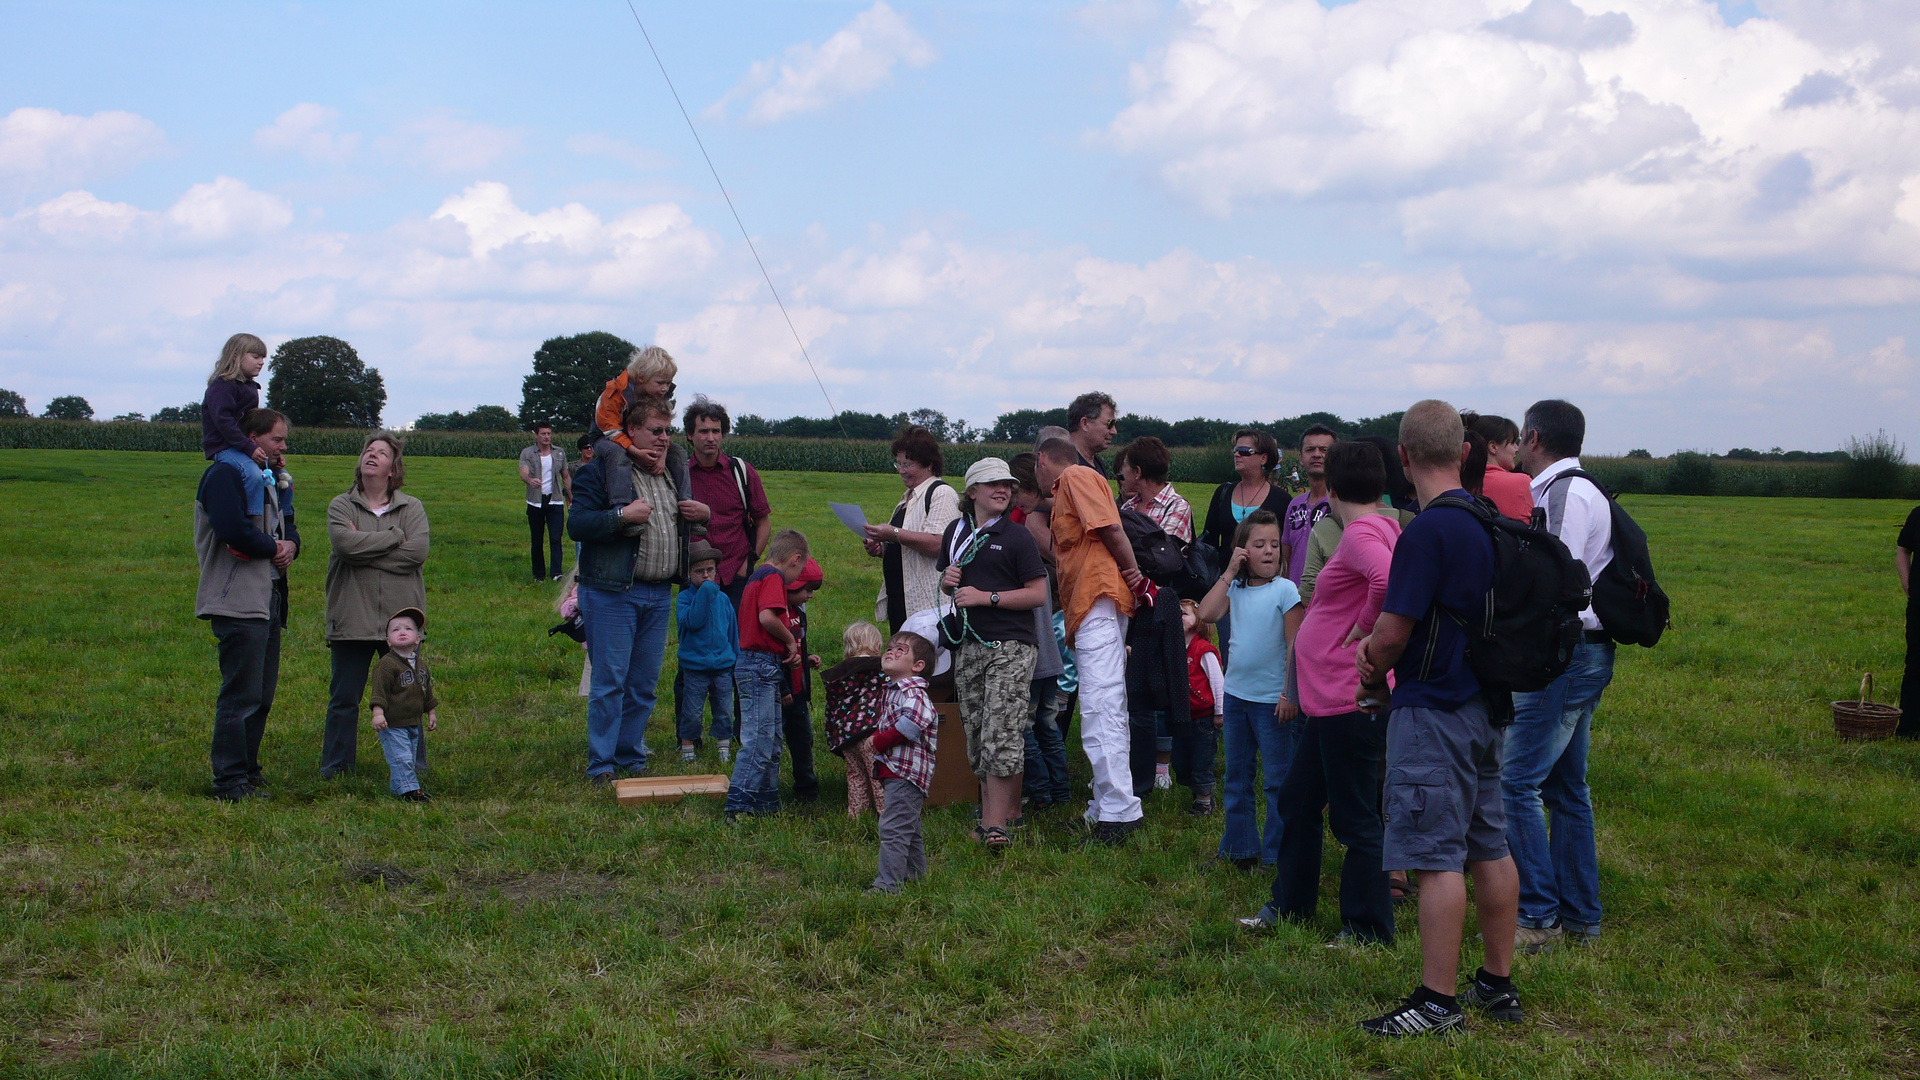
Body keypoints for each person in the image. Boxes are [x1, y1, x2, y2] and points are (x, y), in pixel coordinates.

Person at [1353, 400, 1519, 1038]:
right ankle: (1496, 983)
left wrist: (1370, 663)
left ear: (1403, 455)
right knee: (1490, 843)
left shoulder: (1426, 530)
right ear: (1465, 451)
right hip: (1486, 703)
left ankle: (1436, 1001)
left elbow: (1393, 633)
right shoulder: (1488, 519)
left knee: (1434, 855)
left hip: (1435, 708)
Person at [1243, 440, 1401, 945]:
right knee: (1299, 801)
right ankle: (1290, 906)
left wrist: (1365, 628)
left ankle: (1366, 928)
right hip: (1330, 701)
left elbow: (1386, 578)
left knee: (1356, 818)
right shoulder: (1382, 525)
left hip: (1345, 698)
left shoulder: (1359, 534)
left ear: (1331, 488)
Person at [1506, 399, 1616, 951]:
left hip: (1566, 655)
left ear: (1533, 436)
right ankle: (1580, 916)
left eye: (1522, 438)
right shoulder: (1576, 486)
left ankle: (1539, 916)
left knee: (1514, 782)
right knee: (1566, 787)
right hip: (1584, 652)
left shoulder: (1565, 493)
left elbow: (1560, 581)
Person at [567, 394, 686, 783]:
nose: (664, 438)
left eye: (668, 431)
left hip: (657, 593)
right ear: (630, 431)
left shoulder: (669, 473)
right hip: (612, 591)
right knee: (610, 682)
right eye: (655, 430)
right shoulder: (600, 470)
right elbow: (578, 525)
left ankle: (630, 753)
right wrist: (620, 516)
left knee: (643, 685)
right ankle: (601, 764)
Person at [1034, 437, 1146, 842]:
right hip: (1090, 603)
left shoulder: (1076, 475)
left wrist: (1133, 573)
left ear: (1043, 459)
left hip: (1099, 597)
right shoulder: (1068, 486)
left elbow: (1110, 528)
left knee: (1102, 705)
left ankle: (1119, 812)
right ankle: (1103, 805)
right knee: (1103, 705)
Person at [938, 457, 1049, 846]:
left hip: (1012, 646)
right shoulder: (955, 532)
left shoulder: (1017, 536)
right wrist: (948, 582)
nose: (1002, 490)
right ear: (971, 493)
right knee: (977, 733)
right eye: (992, 485)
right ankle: (997, 818)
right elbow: (950, 588)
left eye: (1006, 484)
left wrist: (989, 598)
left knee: (1001, 731)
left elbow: (1038, 593)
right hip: (969, 646)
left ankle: (996, 825)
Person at [195, 407, 299, 801]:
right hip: (235, 600)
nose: (283, 446)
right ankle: (229, 781)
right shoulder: (224, 475)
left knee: (262, 696)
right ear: (251, 438)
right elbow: (231, 528)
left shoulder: (266, 478)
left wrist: (291, 544)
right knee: (240, 696)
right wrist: (273, 546)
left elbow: (287, 527)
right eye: (276, 439)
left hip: (267, 597)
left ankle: (249, 771)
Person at [1196, 510, 1304, 870]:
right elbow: (1207, 614)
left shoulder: (1286, 591)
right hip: (1238, 698)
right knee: (1236, 777)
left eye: (1274, 544)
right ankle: (1239, 848)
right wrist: (1228, 572)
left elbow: (1294, 646)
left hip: (1273, 702)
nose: (1270, 551)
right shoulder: (1236, 588)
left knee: (1277, 781)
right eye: (1259, 545)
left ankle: (1276, 853)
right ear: (1242, 551)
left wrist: (1290, 695)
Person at [322, 433, 429, 780]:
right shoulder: (341, 505)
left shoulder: (411, 507)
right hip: (352, 616)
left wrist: (363, 551)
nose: (372, 455)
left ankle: (411, 767)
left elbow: (417, 554)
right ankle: (336, 768)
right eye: (368, 451)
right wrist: (394, 537)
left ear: (392, 469)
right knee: (344, 698)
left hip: (399, 620)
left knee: (407, 696)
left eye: (381, 453)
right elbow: (344, 547)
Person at [724, 529, 812, 817]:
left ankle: (766, 803)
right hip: (758, 663)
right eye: (799, 570)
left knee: (773, 740)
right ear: (795, 560)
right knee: (760, 741)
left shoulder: (757, 575)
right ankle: (738, 805)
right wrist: (789, 641)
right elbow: (767, 617)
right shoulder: (772, 577)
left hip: (763, 664)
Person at [1010, 452, 1073, 812]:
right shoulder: (1047, 518)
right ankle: (1060, 791)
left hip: (1034, 651)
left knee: (1026, 726)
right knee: (1048, 726)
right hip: (1051, 652)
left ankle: (1042, 792)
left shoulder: (1022, 535)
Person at [1200, 429, 1289, 663]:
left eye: (1244, 451)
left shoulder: (1282, 500)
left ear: (1264, 458)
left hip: (1265, 590)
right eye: (1235, 450)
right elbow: (1208, 540)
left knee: (1265, 650)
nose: (1236, 455)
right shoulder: (1223, 492)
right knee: (1232, 652)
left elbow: (1287, 548)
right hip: (1227, 586)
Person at [590, 346, 702, 531]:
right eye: (660, 383)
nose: (665, 388)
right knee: (618, 455)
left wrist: (663, 454)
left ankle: (687, 508)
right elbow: (611, 430)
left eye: (669, 383)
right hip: (606, 437)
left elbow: (663, 423)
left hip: (638, 433)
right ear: (641, 377)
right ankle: (623, 509)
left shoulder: (658, 393)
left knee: (679, 453)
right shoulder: (614, 393)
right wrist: (636, 452)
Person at [863, 425, 959, 634]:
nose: (901, 471)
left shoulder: (941, 493)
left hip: (927, 606)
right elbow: (905, 545)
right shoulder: (907, 498)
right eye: (898, 464)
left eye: (908, 464)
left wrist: (892, 534)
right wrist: (882, 548)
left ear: (929, 464)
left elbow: (938, 543)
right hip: (901, 599)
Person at [868, 632, 941, 894]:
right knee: (908, 827)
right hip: (896, 771)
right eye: (889, 648)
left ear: (917, 666)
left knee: (893, 828)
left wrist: (878, 742)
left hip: (906, 773)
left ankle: (888, 885)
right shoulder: (894, 691)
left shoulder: (915, 694)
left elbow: (911, 724)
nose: (890, 652)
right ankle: (915, 875)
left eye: (900, 650)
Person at [684, 396, 772, 608]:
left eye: (716, 431)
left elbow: (763, 522)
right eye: (703, 431)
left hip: (736, 574)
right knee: (700, 638)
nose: (711, 437)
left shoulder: (741, 472)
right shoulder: (680, 475)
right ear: (690, 435)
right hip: (696, 575)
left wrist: (750, 561)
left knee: (738, 638)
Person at [675, 540, 737, 764]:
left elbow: (732, 632)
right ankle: (688, 747)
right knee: (692, 710)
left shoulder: (723, 600)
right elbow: (692, 621)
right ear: (689, 573)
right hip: (695, 667)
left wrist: (734, 657)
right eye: (699, 571)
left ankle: (723, 747)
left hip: (722, 665)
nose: (706, 575)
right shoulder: (684, 599)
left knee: (724, 709)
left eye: (710, 570)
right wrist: (706, 592)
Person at [368, 607, 439, 803]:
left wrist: (431, 712)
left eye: (407, 628)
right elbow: (379, 692)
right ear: (388, 641)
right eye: (395, 630)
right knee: (402, 758)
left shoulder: (421, 664)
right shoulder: (386, 665)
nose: (401, 632)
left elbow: (426, 690)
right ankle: (411, 792)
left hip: (413, 722)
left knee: (407, 756)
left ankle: (398, 789)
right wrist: (378, 714)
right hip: (392, 723)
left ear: (417, 638)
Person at [201, 333, 272, 516]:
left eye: (262, 357)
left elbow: (252, 425)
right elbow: (224, 423)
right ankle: (250, 520)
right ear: (235, 357)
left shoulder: (249, 387)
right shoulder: (222, 387)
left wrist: (270, 455)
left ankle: (281, 519)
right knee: (252, 474)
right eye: (255, 357)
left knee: (281, 477)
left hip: (243, 447)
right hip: (225, 447)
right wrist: (249, 448)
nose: (261, 362)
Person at [824, 622, 889, 818]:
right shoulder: (882, 668)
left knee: (855, 775)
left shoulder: (838, 675)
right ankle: (887, 816)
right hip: (872, 732)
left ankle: (856, 816)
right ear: (878, 646)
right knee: (878, 775)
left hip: (846, 734)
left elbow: (831, 707)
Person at [780, 559, 826, 802]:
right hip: (781, 694)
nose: (810, 595)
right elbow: (774, 656)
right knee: (775, 743)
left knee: (803, 742)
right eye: (806, 590)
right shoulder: (776, 615)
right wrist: (782, 688)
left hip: (799, 693)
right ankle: (768, 787)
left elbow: (795, 648)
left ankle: (807, 789)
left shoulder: (799, 614)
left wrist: (806, 658)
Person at [1179, 599, 1223, 815]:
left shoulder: (1203, 650)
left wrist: (1219, 713)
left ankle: (1205, 802)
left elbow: (1217, 683)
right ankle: (1197, 795)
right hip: (1184, 716)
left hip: (1204, 718)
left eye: (1184, 614)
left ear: (1199, 621)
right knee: (1183, 760)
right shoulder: (1176, 650)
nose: (1179, 618)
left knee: (1202, 760)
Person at [1282, 424, 1337, 584]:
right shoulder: (1294, 504)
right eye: (1310, 449)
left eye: (1324, 450)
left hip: (1329, 599)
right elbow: (1286, 556)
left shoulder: (1344, 504)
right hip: (1295, 599)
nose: (1317, 455)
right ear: (1301, 457)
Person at [519, 422, 570, 582]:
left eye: (549, 433)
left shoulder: (559, 453)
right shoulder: (527, 453)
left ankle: (556, 573)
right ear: (536, 435)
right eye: (543, 434)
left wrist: (570, 498)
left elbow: (566, 476)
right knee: (537, 539)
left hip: (555, 500)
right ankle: (539, 575)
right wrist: (529, 480)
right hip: (535, 502)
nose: (547, 437)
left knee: (556, 538)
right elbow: (523, 472)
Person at [1118, 436, 1194, 542]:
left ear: (1137, 472)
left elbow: (1164, 551)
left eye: (1124, 466)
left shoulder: (1178, 506)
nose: (1121, 472)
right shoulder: (1129, 506)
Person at [1464, 412, 1534, 520]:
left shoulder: (1458, 481)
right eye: (1512, 443)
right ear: (1493, 446)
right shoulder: (1521, 483)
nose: (1517, 448)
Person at [1065, 392, 1119, 477]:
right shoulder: (1064, 465)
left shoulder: (1098, 463)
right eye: (1110, 424)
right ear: (1085, 424)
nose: (1114, 431)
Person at [1902, 506, 1919, 736]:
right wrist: (1908, 585)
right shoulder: (1918, 515)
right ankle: (1909, 728)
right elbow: (1903, 549)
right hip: (1919, 605)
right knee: (1915, 664)